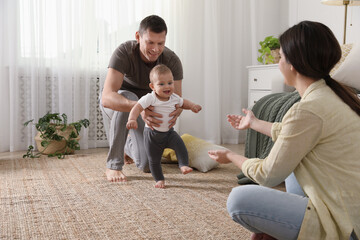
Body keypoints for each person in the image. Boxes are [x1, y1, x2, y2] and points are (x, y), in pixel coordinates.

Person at [208, 21, 360, 240]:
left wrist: (231, 156)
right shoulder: (334, 96)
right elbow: (292, 134)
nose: (278, 62)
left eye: (280, 57)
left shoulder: (308, 109)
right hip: (349, 212)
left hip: (342, 226)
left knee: (238, 200)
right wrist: (254, 123)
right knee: (292, 164)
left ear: (293, 65)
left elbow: (267, 175)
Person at [100, 15, 184, 182]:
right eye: (150, 42)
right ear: (138, 37)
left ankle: (125, 143)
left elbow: (176, 100)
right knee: (128, 96)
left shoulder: (171, 61)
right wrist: (139, 107)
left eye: (161, 43)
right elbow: (107, 97)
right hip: (119, 105)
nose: (155, 49)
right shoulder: (124, 52)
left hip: (146, 109)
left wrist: (171, 114)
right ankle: (113, 165)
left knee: (146, 164)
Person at [126, 64, 201, 188]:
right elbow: (137, 107)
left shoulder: (174, 97)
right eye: (161, 84)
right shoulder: (150, 98)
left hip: (169, 133)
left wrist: (192, 106)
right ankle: (159, 179)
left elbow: (184, 102)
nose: (167, 87)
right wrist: (132, 119)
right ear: (152, 86)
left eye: (170, 83)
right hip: (152, 135)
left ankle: (183, 165)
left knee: (180, 145)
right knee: (153, 160)